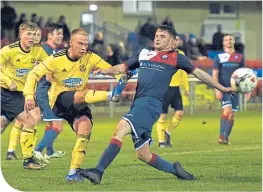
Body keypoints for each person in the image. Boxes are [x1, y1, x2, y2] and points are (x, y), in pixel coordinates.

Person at [77, 25, 235, 184]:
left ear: (172, 42)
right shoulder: (144, 53)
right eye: (157, 35)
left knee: (121, 128)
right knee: (143, 155)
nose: (158, 38)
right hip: (139, 104)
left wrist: (221, 87)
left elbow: (199, 73)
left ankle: (98, 172)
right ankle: (176, 170)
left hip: (150, 104)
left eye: (163, 36)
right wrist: (107, 71)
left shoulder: (176, 57)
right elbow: (123, 67)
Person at [23, 28, 130, 181]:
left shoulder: (90, 57)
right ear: (71, 43)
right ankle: (109, 95)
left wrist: (122, 76)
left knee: (85, 128)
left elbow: (111, 69)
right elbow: (34, 74)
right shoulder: (56, 59)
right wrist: (28, 95)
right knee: (79, 95)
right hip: (60, 100)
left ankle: (73, 173)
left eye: (86, 44)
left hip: (79, 101)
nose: (83, 47)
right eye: (80, 43)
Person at [5, 23, 65, 161]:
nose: (61, 36)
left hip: (37, 90)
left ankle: (46, 151)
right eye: (58, 33)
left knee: (31, 121)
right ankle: (31, 150)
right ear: (50, 36)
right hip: (38, 91)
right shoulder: (45, 49)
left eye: (62, 33)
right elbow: (47, 73)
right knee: (35, 121)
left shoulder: (45, 50)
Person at [1, 21, 48, 169]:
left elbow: (50, 64)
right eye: (28, 34)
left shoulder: (37, 50)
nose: (32, 37)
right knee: (29, 121)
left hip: (17, 94)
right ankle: (28, 161)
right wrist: (8, 81)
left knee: (2, 126)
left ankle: (27, 159)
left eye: (34, 34)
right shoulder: (8, 50)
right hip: (6, 92)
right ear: (21, 34)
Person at [156, 35, 189, 147]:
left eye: (177, 40)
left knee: (179, 113)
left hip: (176, 89)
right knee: (162, 116)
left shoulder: (181, 54)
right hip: (164, 88)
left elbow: (184, 72)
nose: (175, 42)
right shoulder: (160, 54)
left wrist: (186, 87)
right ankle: (161, 142)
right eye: (173, 40)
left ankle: (167, 132)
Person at [212, 34, 244, 144]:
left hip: (235, 90)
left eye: (230, 39)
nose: (228, 41)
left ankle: (226, 137)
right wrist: (217, 89)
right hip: (223, 89)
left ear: (234, 41)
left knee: (232, 115)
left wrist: (246, 89)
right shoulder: (219, 57)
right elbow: (215, 73)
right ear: (223, 43)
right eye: (226, 39)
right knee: (227, 110)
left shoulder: (240, 57)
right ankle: (221, 136)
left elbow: (244, 74)